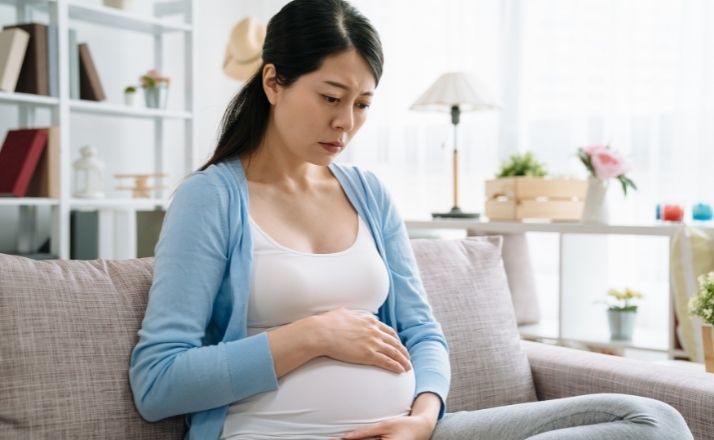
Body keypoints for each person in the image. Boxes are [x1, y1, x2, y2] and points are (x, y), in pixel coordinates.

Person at [129, 1, 694, 439]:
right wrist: (309, 335)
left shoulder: (368, 193)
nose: (345, 123)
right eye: (330, 97)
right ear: (274, 82)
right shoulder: (211, 199)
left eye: (363, 104)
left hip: (417, 431)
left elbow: (423, 332)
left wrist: (425, 415)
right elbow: (157, 382)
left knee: (651, 421)